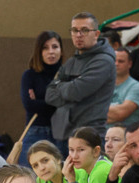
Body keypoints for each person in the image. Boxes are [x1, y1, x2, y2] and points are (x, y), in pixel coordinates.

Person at [45, 12, 115, 150]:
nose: (78, 35)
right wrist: (68, 88)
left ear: (96, 34)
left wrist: (62, 87)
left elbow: (75, 92)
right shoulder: (72, 61)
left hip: (89, 135)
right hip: (64, 134)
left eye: (84, 30)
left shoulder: (103, 60)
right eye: (74, 30)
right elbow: (49, 95)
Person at [19, 31, 63, 163]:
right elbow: (29, 105)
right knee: (28, 174)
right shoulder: (30, 75)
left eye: (55, 47)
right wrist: (56, 101)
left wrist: (40, 102)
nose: (51, 52)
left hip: (61, 132)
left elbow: (69, 104)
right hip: (36, 129)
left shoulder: (66, 74)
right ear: (39, 51)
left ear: (61, 49)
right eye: (45, 48)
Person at [106, 48, 139, 130]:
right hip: (100, 135)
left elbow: (120, 114)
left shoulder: (136, 87)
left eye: (121, 61)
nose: (116, 64)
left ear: (130, 64)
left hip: (125, 136)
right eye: (114, 60)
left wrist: (95, 110)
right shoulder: (101, 85)